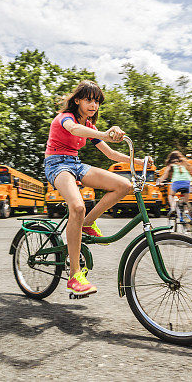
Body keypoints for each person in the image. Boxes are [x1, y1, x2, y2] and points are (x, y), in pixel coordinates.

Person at [44, 80, 144, 297]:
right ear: (77, 100)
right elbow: (73, 129)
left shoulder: (90, 127)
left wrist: (138, 161)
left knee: (123, 185)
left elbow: (111, 155)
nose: (94, 105)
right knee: (77, 207)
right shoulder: (66, 118)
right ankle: (74, 276)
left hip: (75, 163)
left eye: (97, 101)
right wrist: (104, 134)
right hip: (56, 164)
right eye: (89, 100)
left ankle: (87, 223)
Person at [156, 151, 192, 218]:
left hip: (176, 182)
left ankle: (173, 208)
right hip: (187, 182)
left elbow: (165, 174)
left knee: (171, 195)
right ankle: (187, 213)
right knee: (185, 201)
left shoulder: (171, 165)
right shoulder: (185, 163)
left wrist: (159, 182)